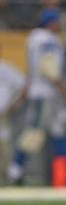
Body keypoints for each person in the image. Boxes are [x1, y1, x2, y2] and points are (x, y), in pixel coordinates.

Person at [7, 8, 66, 185]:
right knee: (34, 132)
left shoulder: (35, 38)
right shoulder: (45, 39)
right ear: (50, 22)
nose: (59, 24)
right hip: (44, 93)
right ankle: (15, 170)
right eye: (57, 21)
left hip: (43, 92)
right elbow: (49, 69)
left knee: (57, 129)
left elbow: (33, 69)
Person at [0, 44, 26, 185]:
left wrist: (16, 104)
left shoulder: (5, 68)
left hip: (2, 115)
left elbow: (24, 85)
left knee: (4, 146)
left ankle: (6, 179)